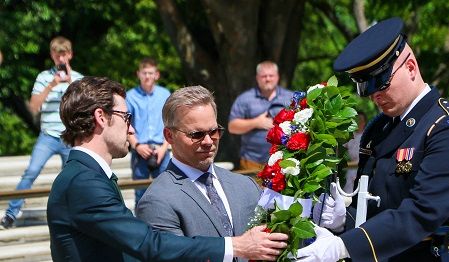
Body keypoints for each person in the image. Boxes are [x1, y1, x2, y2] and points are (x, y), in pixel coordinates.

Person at [296, 17, 449, 261]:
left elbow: (422, 212)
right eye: (368, 89)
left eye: (382, 83)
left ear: (411, 68)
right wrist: (346, 219)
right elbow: (376, 206)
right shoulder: (379, 130)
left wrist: (343, 246)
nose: (375, 96)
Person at [47, 76, 288, 261]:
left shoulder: (86, 177)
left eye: (214, 131)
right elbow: (150, 245)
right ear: (101, 117)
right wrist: (236, 245)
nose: (131, 130)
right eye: (126, 117)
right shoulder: (84, 181)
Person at [136, 86, 261, 245]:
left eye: (214, 131)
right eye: (197, 135)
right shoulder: (157, 202)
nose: (208, 142)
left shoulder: (246, 186)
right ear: (169, 136)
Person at [1, 36, 83, 229]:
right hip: (48, 136)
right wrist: (51, 86)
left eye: (64, 54)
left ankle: (70, 217)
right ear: (52, 56)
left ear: (70, 55)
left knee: (72, 178)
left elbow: (84, 108)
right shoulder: (44, 77)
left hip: (70, 137)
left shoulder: (79, 79)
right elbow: (33, 107)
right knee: (31, 172)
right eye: (57, 54)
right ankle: (11, 213)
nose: (61, 59)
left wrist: (70, 84)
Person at [228, 61, 294, 170]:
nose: (267, 79)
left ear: (277, 77)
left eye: (271, 76)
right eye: (264, 76)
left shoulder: (290, 97)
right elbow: (232, 127)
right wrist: (256, 123)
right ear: (257, 78)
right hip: (251, 162)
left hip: (284, 161)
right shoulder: (245, 99)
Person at [126, 57, 172, 206]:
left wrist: (164, 148)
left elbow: (170, 123)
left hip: (162, 149)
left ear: (156, 75)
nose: (147, 76)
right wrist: (137, 146)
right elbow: (125, 124)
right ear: (138, 74)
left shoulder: (165, 95)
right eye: (144, 73)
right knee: (141, 194)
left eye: (150, 73)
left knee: (167, 192)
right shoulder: (130, 96)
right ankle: (141, 227)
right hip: (140, 150)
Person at [342, 111, 366, 193]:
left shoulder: (366, 137)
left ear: (364, 122)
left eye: (360, 120)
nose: (358, 122)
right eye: (357, 120)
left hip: (361, 169)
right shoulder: (350, 136)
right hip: (349, 169)